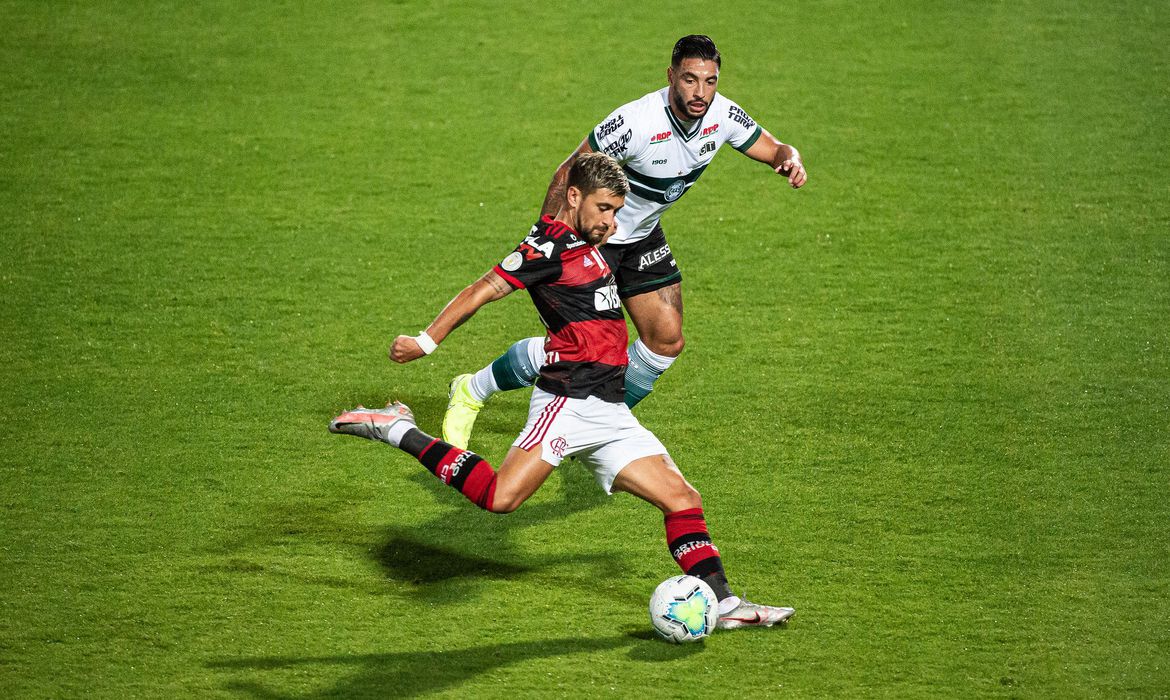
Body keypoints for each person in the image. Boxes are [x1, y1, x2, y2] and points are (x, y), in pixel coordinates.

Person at [331, 152, 794, 630]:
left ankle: (725, 604)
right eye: (604, 209)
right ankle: (398, 429)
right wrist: (425, 341)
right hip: (567, 403)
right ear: (574, 197)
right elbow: (483, 289)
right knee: (500, 498)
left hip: (610, 408)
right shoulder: (546, 247)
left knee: (682, 499)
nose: (611, 223)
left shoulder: (589, 239)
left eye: (617, 211)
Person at [439, 34, 807, 450]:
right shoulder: (636, 122)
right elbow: (568, 172)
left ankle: (603, 422)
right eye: (689, 79)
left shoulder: (722, 116)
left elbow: (774, 147)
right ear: (671, 76)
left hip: (643, 235)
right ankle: (472, 390)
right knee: (578, 347)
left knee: (666, 340)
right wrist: (550, 237)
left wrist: (788, 160)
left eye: (710, 81)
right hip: (594, 238)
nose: (700, 92)